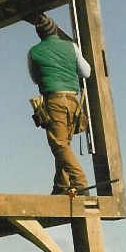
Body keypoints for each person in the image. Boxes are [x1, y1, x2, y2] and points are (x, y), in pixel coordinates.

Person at [28, 14, 91, 195]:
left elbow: (34, 78)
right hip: (73, 101)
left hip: (53, 100)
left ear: (39, 34)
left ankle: (80, 182)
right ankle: (61, 186)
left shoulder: (33, 52)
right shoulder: (71, 46)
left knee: (59, 144)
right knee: (64, 144)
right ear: (55, 30)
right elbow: (86, 72)